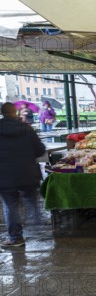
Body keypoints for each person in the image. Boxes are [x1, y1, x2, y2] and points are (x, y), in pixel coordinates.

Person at [0, 103, 46, 248]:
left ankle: (16, 238)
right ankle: (37, 224)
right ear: (16, 112)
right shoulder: (27, 129)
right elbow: (40, 150)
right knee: (30, 197)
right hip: (27, 172)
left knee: (11, 206)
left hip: (4, 175)